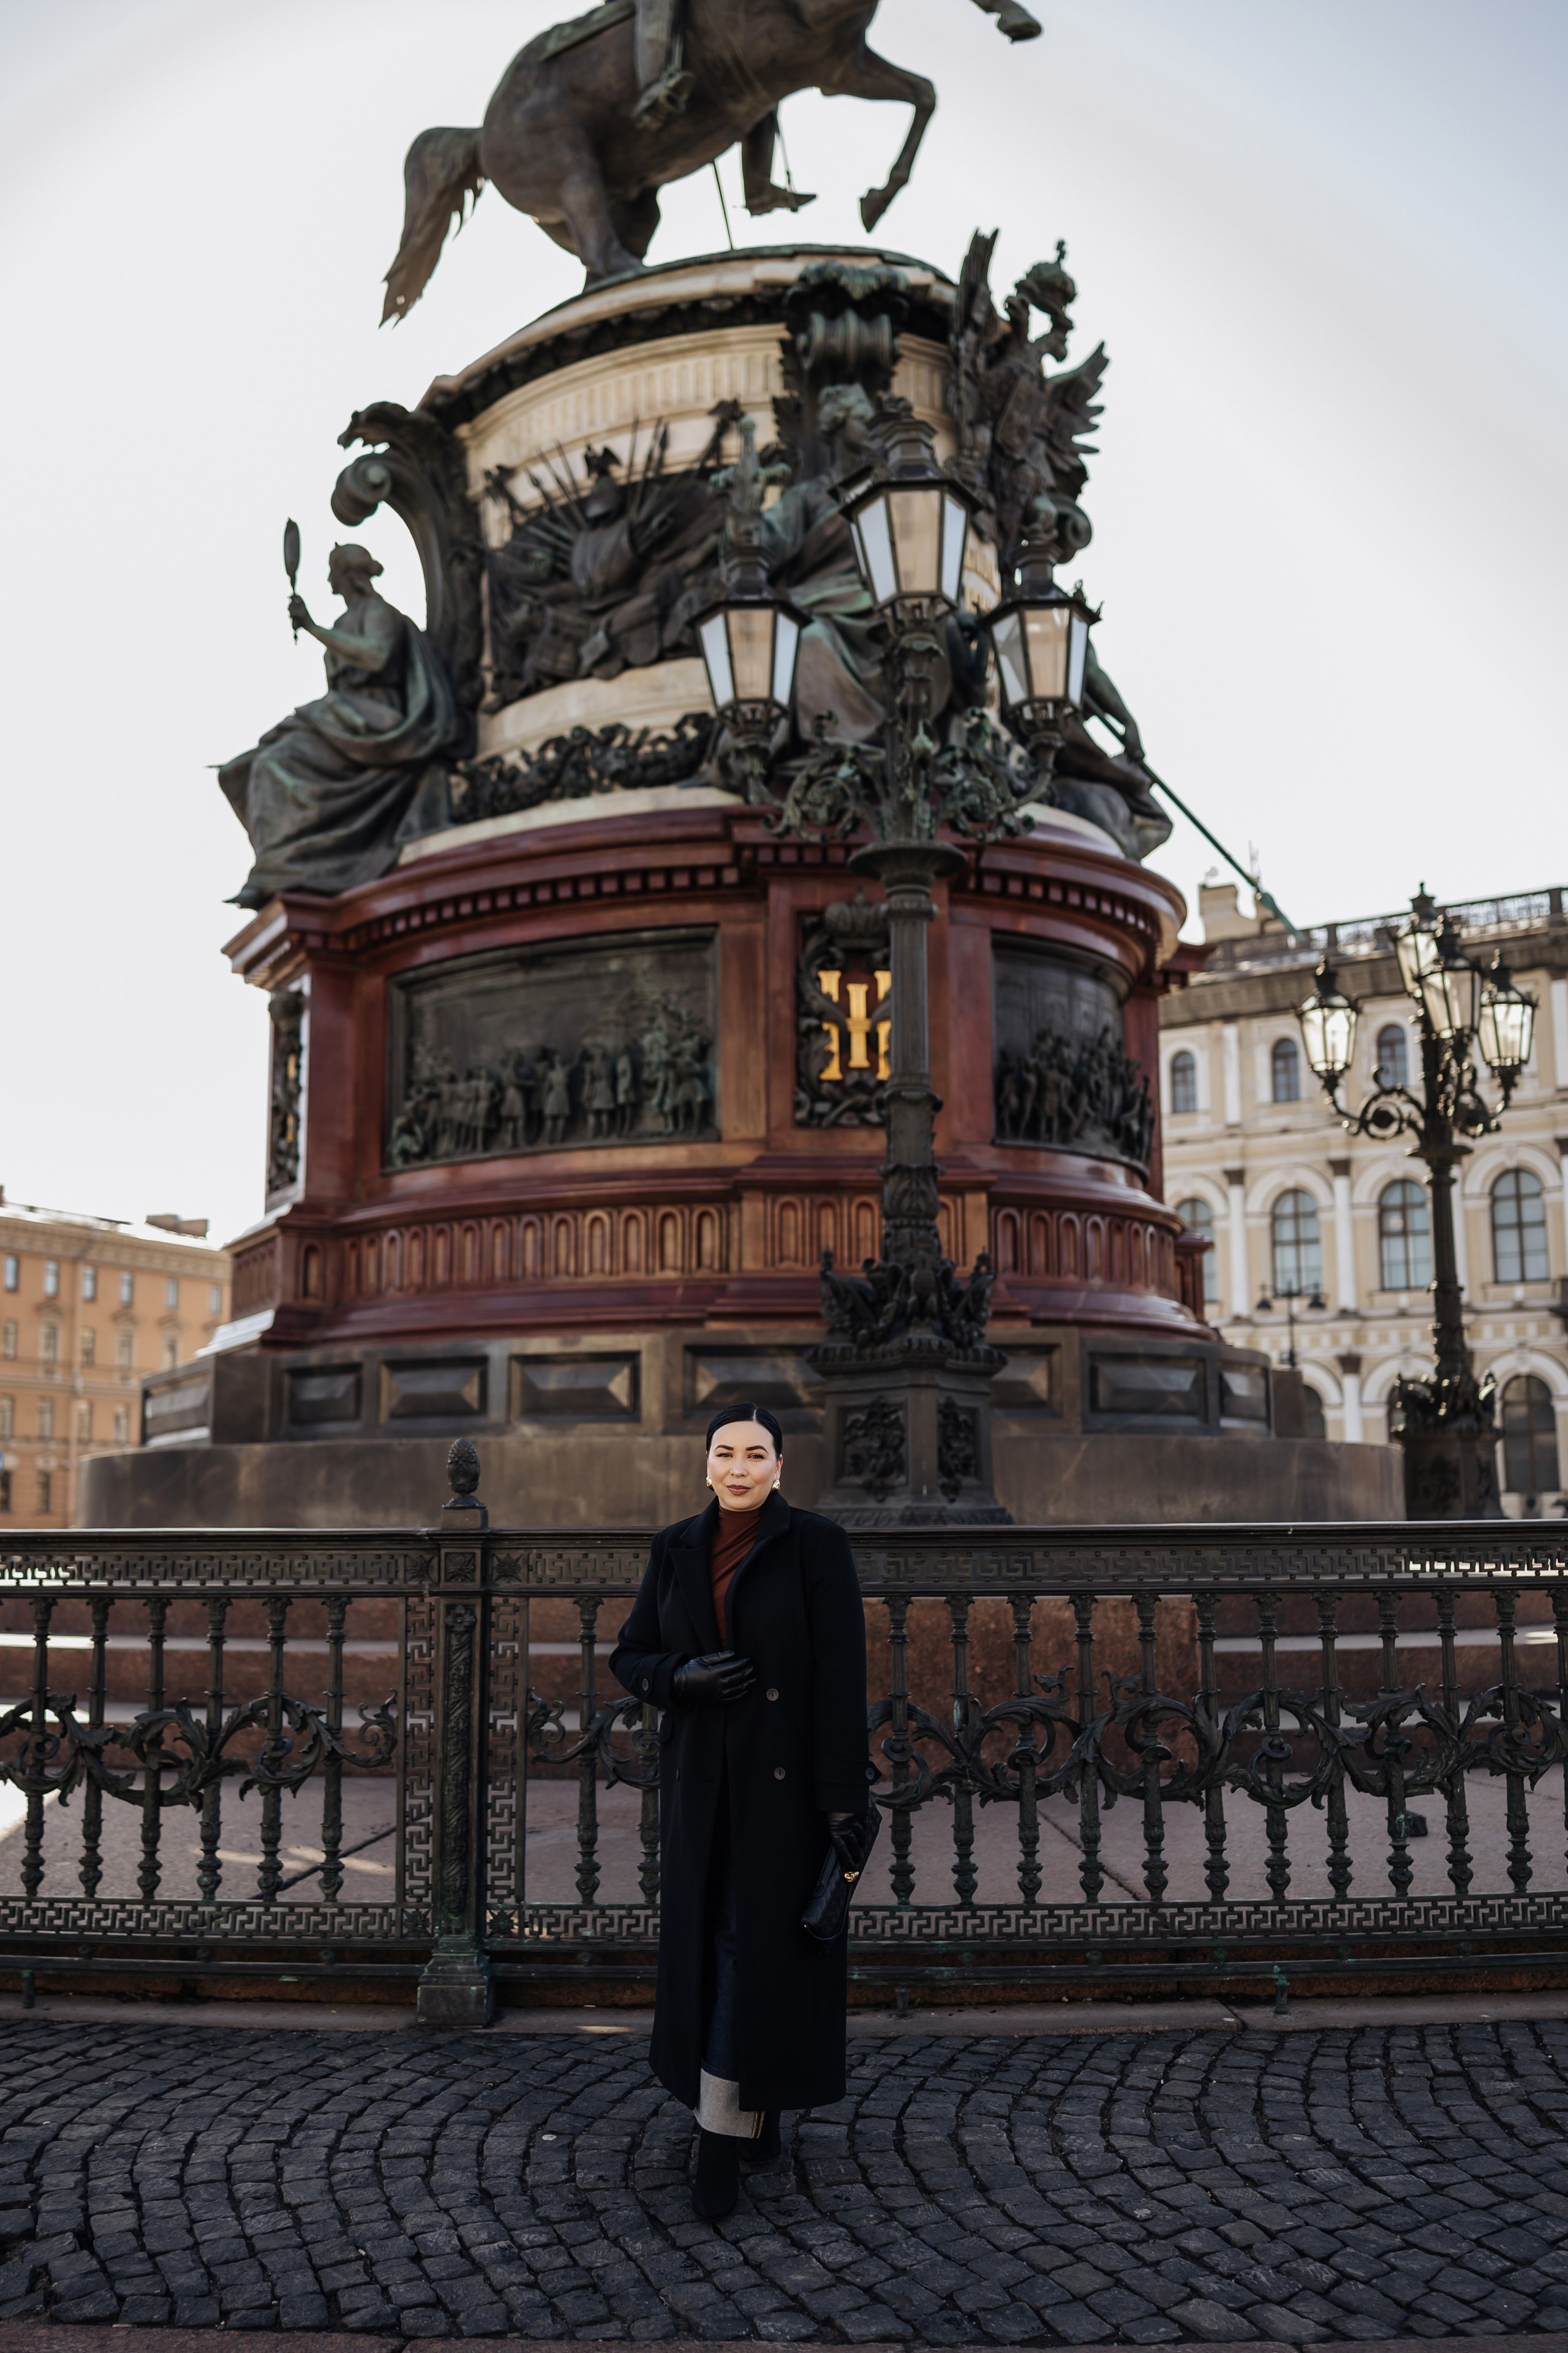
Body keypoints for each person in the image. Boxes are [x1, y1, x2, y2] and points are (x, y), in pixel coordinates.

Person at [609, 1407, 871, 2221]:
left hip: (783, 1792)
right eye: (725, 1453)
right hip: (702, 1785)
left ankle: (721, 2139)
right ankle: (743, 2117)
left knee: (753, 1949)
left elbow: (840, 1676)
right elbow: (630, 1652)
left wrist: (839, 1799)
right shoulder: (674, 1545)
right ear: (706, 1464)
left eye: (756, 1454)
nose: (739, 1467)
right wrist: (679, 1676)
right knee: (720, 1950)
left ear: (781, 1468)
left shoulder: (816, 1544)